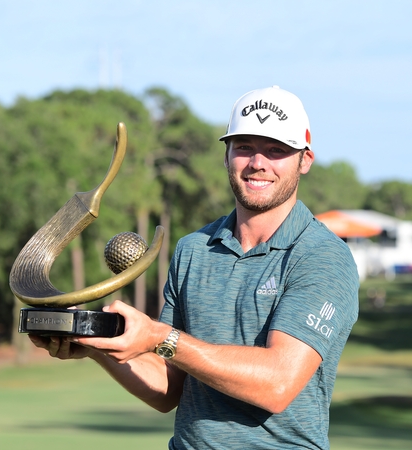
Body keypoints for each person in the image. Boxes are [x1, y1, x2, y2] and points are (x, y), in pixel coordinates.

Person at [29, 86, 359, 449]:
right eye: (244, 146)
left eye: (276, 150)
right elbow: (168, 386)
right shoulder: (194, 250)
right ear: (226, 155)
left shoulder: (322, 256)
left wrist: (161, 337)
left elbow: (277, 383)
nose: (257, 163)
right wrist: (95, 343)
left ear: (305, 160)